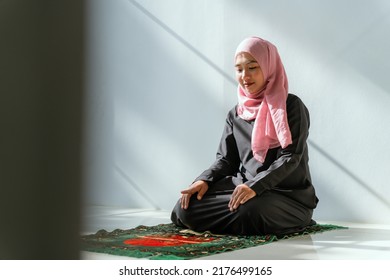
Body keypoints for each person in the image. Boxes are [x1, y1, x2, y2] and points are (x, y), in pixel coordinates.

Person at [171, 36, 318, 236]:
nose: (244, 76)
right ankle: (238, 219)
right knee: (184, 209)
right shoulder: (236, 114)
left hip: (286, 194)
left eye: (252, 67)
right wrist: (203, 180)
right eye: (239, 69)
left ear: (268, 67)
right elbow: (225, 161)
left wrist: (255, 186)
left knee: (251, 211)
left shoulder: (291, 106)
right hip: (243, 188)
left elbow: (290, 157)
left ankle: (260, 218)